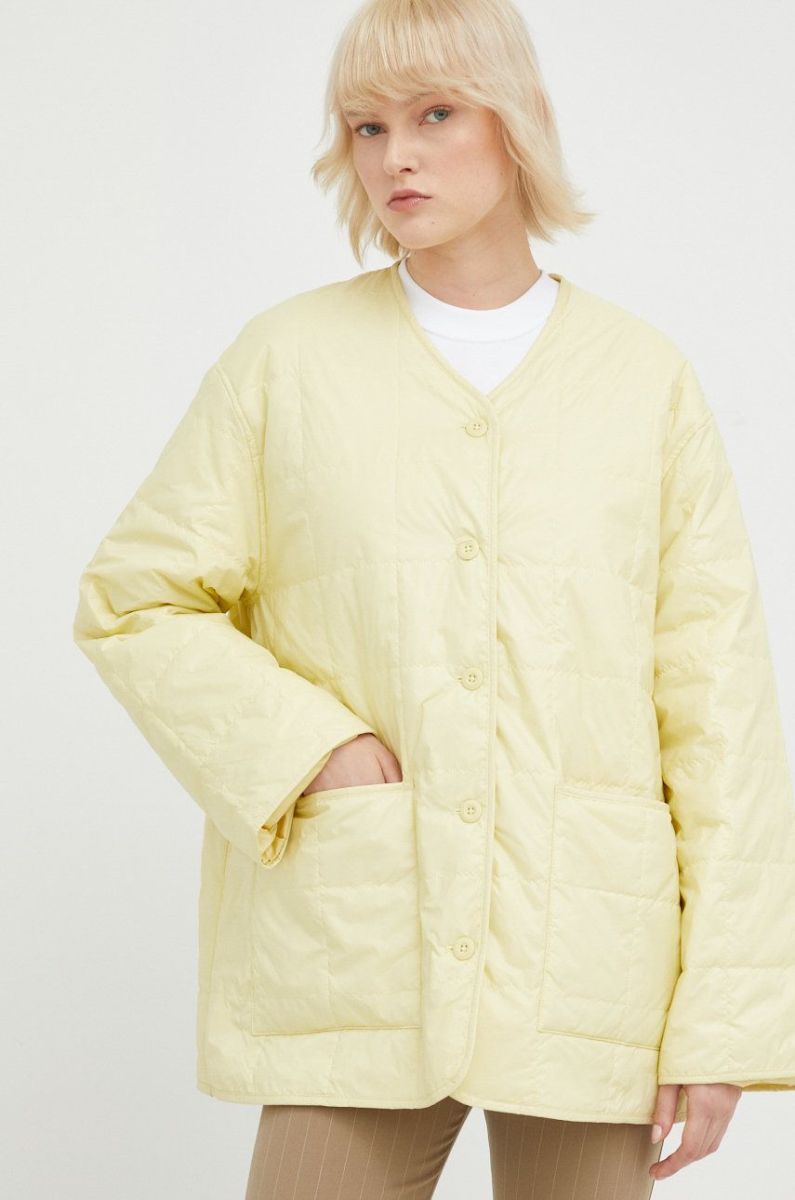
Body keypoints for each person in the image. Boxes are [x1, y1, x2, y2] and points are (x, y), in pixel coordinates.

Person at [72, 0, 795, 1196]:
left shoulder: (643, 383)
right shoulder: (287, 362)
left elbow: (721, 721)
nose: (394, 155)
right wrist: (310, 747)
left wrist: (725, 1016)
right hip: (358, 949)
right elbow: (135, 600)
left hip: (587, 960)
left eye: (435, 115)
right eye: (366, 126)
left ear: (516, 123)